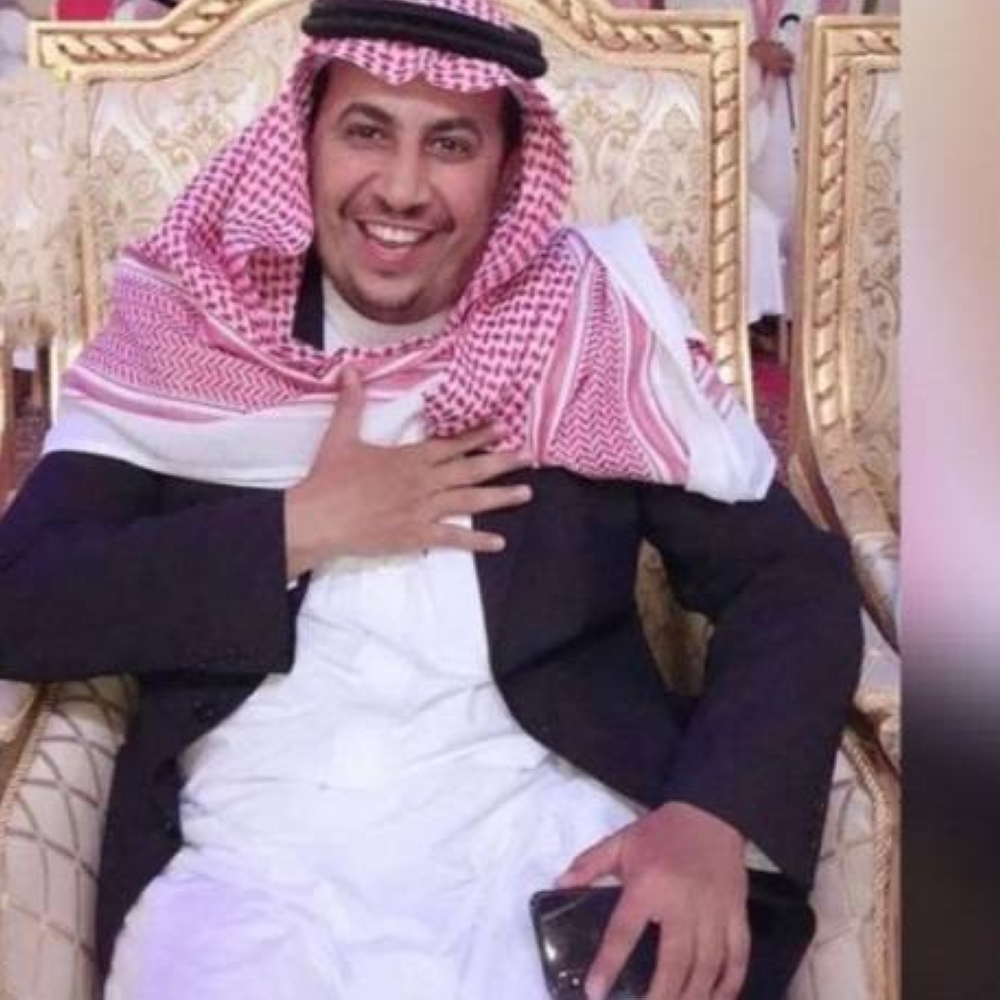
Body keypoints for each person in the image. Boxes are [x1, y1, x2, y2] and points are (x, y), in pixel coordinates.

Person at [0, 1, 862, 998]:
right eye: (366, 131)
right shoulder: (194, 332)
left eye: (450, 143)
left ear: (506, 169)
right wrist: (296, 527)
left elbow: (788, 584)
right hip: (255, 861)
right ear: (305, 142)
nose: (403, 188)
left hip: (552, 828)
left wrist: (712, 815)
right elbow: (22, 599)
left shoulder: (584, 327)